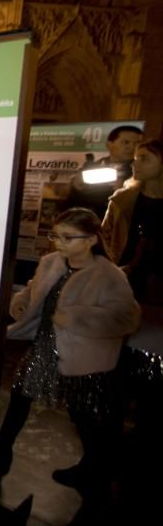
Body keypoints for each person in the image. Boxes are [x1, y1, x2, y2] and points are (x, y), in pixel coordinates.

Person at [0, 208, 140, 503]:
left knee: (81, 415)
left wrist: (78, 319)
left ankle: (95, 471)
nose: (59, 243)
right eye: (56, 236)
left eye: (68, 237)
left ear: (91, 240)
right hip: (45, 346)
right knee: (20, 400)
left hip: (81, 356)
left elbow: (126, 317)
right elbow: (33, 292)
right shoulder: (51, 263)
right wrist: (21, 303)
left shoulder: (108, 275)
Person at [100, 138, 163, 487]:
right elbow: (108, 237)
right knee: (114, 376)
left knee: (150, 380)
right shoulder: (125, 199)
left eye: (144, 159)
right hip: (123, 293)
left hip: (157, 305)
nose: (135, 163)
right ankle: (101, 458)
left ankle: (140, 462)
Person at [67, 125, 143, 217]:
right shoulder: (91, 167)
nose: (132, 147)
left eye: (137, 143)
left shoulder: (141, 173)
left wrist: (123, 195)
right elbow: (72, 204)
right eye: (126, 142)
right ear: (109, 144)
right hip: (87, 221)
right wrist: (76, 188)